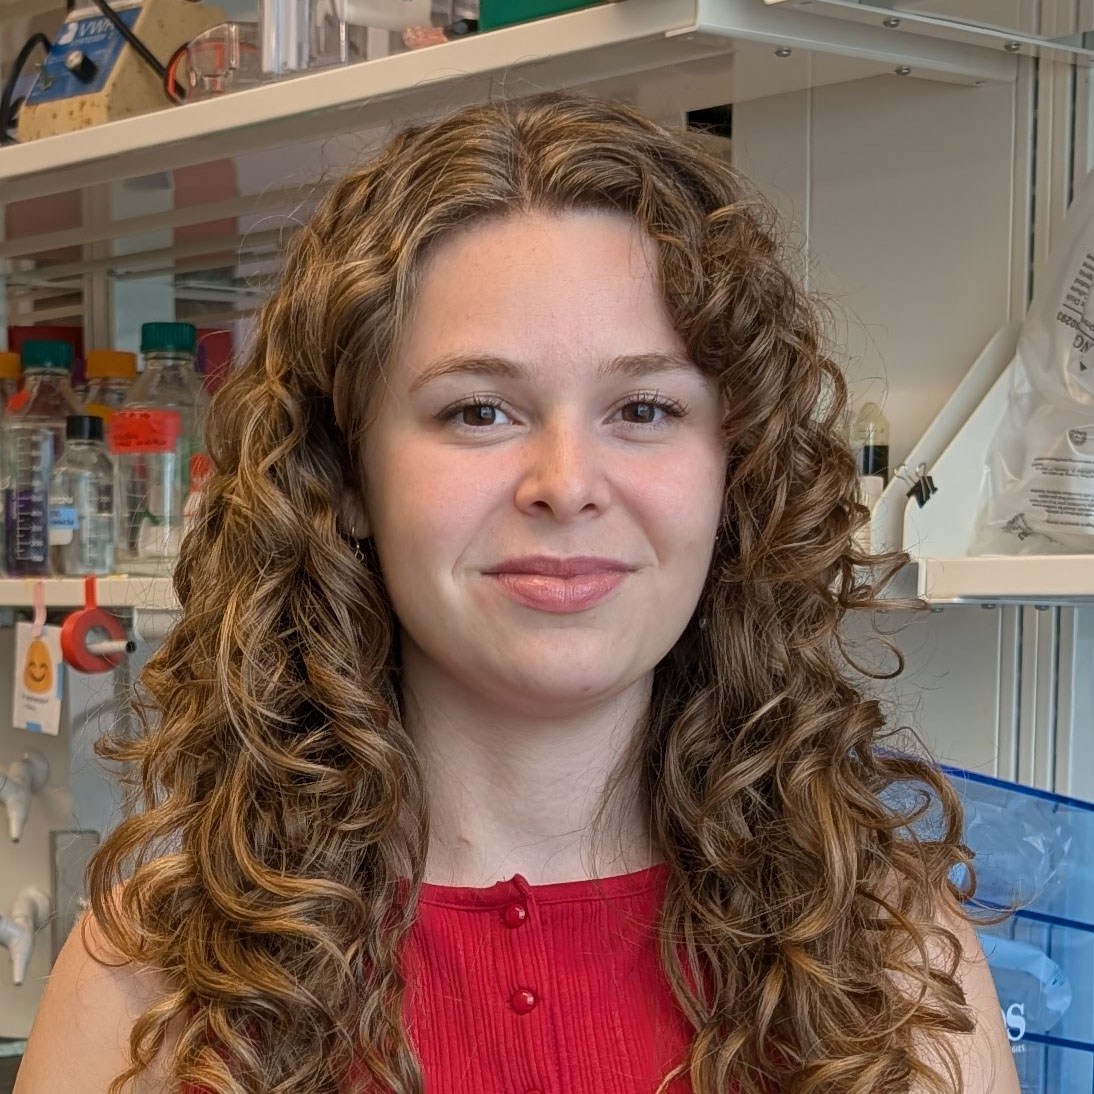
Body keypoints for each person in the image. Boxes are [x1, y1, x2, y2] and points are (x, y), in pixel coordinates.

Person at [16, 91, 1018, 1094]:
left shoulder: (887, 955)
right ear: (347, 474)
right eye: (478, 411)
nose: (567, 483)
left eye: (643, 408)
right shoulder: (153, 975)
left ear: (735, 469)